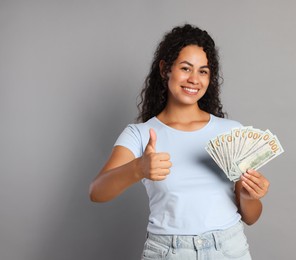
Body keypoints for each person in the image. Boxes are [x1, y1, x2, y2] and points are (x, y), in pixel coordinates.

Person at [89, 24, 270, 260]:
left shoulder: (231, 132)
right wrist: (137, 168)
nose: (194, 79)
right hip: (168, 252)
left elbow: (251, 217)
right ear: (165, 69)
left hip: (228, 249)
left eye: (203, 71)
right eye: (186, 68)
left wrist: (248, 196)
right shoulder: (140, 134)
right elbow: (97, 192)